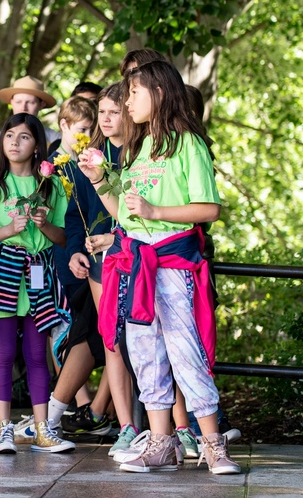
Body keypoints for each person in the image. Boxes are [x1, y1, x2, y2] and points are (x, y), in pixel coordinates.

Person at [79, 59, 241, 475]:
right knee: (146, 353)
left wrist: (157, 209)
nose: (127, 101)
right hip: (136, 265)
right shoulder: (135, 149)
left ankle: (213, 445)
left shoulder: (189, 143)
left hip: (173, 263)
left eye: (134, 93)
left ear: (160, 93)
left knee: (186, 352)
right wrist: (99, 180)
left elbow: (209, 209)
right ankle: (160, 443)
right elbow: (126, 217)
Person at [0, 113, 75, 455]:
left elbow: (63, 238)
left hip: (39, 271)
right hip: (3, 269)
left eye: (23, 137)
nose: (14, 142)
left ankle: (42, 429)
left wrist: (43, 226)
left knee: (35, 354)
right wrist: (8, 231)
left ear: (37, 145)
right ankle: (3, 428)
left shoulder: (52, 186)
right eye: (9, 135)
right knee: (4, 353)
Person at [51, 84, 137, 454]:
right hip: (96, 269)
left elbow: (140, 212)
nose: (105, 118)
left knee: (142, 343)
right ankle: (126, 428)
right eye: (101, 111)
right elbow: (74, 218)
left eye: (114, 111)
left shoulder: (140, 155)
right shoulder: (86, 159)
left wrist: (113, 237)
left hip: (138, 260)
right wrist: (73, 251)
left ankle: (167, 427)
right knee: (111, 341)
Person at [0, 76, 60, 145]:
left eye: (30, 102)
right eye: (18, 102)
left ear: (41, 104)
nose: (23, 108)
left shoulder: (54, 138)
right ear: (11, 102)